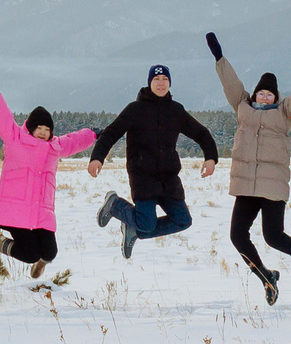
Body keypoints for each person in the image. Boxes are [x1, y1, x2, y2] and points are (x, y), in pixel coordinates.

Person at [207, 31, 291, 303]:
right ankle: (267, 277)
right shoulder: (242, 107)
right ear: (254, 95)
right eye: (260, 93)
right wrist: (219, 58)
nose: (263, 97)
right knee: (237, 236)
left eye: (269, 94)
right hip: (246, 185)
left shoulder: (284, 114)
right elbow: (231, 84)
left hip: (272, 185)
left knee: (273, 237)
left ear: (275, 98)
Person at [88, 64, 219, 258]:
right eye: (156, 80)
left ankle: (134, 230)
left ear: (170, 83)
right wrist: (97, 157)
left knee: (183, 220)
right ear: (149, 83)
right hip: (143, 177)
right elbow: (112, 132)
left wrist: (211, 158)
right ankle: (115, 205)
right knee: (147, 223)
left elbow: (201, 133)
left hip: (169, 178)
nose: (161, 83)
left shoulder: (176, 110)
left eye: (165, 79)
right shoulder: (135, 109)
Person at [0, 80, 99, 280]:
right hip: (15, 208)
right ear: (30, 127)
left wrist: (95, 134)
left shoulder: (55, 147)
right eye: (39, 128)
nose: (43, 132)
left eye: (47, 128)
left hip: (41, 209)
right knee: (29, 254)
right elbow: (2, 116)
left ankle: (41, 262)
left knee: (50, 253)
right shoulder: (15, 139)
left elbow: (74, 141)